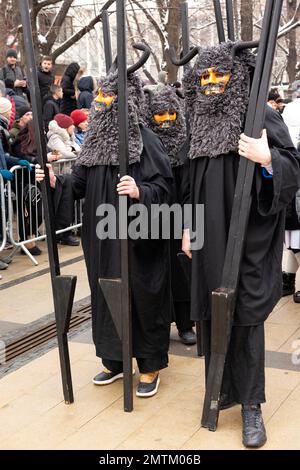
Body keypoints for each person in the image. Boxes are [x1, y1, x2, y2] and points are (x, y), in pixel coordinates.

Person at [181, 42, 300, 448]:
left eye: (221, 75)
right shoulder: (196, 120)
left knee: (246, 317)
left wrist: (269, 159)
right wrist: (186, 228)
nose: (212, 84)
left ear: (237, 77)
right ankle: (219, 390)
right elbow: (187, 185)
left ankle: (251, 403)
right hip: (207, 238)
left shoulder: (260, 114)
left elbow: (291, 167)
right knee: (213, 314)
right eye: (205, 77)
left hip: (248, 237)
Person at [36, 63, 173, 397]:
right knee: (104, 292)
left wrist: (141, 191)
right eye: (100, 94)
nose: (101, 100)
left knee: (141, 295)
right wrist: (56, 181)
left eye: (110, 95)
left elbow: (166, 189)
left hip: (138, 236)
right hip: (101, 237)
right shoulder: (95, 143)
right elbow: (79, 183)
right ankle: (115, 358)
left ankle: (150, 363)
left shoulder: (146, 140)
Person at [143, 84, 196, 345]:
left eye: (170, 114)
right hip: (152, 219)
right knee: (155, 276)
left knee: (182, 271)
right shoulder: (145, 147)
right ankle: (159, 326)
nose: (165, 120)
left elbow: (191, 189)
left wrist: (189, 224)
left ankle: (186, 323)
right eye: (159, 115)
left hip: (180, 216)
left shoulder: (185, 147)